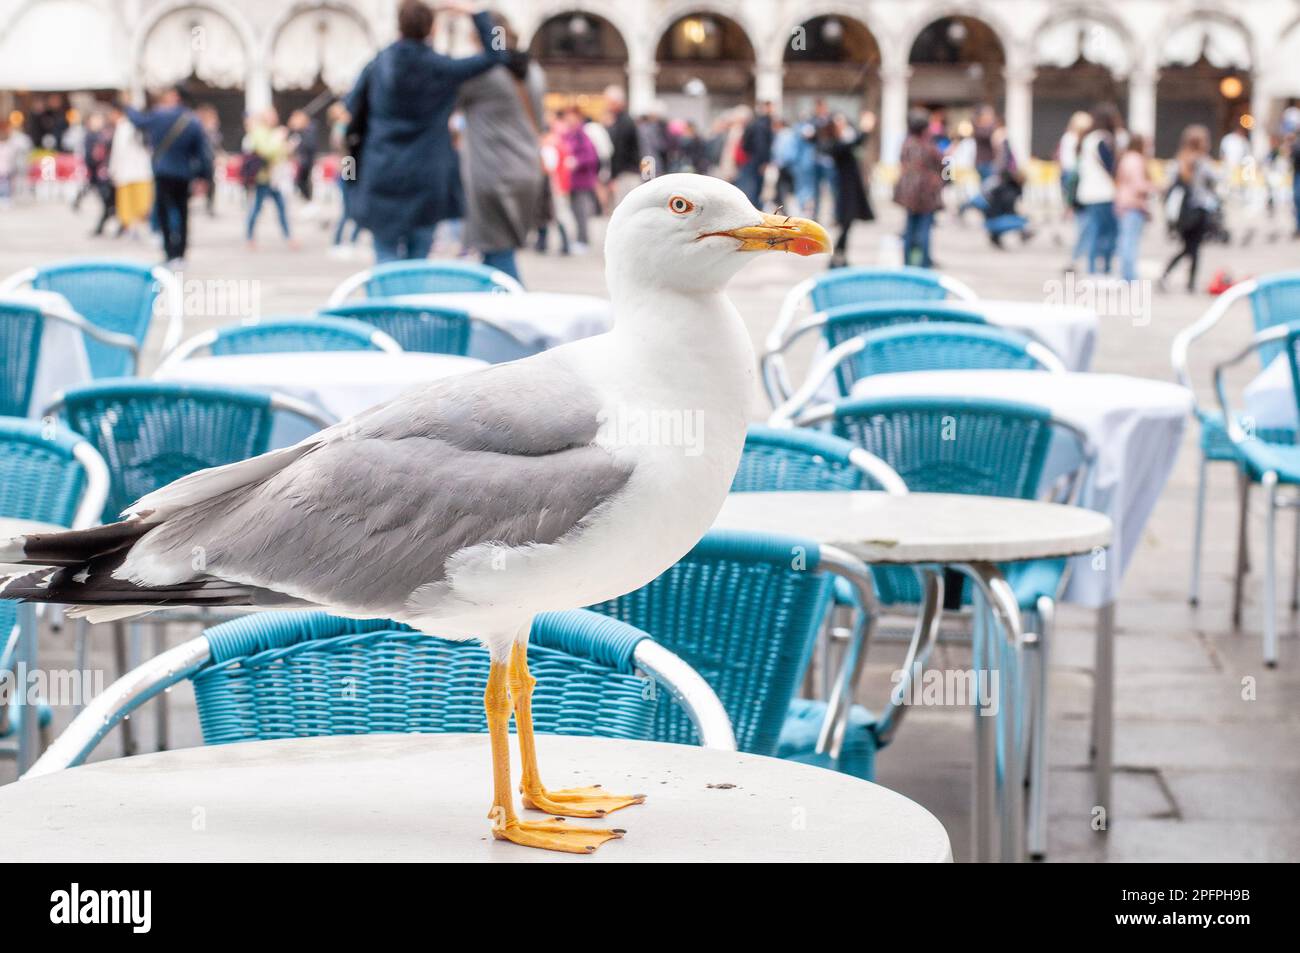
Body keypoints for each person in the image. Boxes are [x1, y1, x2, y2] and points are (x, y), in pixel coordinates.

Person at [345, 1, 507, 263]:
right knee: (419, 258)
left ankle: (385, 304)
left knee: (384, 255)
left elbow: (352, 107)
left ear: (399, 25)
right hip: (428, 174)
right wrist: (478, 13)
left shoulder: (378, 64)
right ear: (431, 28)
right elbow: (498, 53)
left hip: (381, 170)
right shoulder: (443, 67)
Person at [457, 17, 545, 284]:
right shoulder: (533, 71)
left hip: (493, 173)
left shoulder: (483, 75)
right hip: (528, 169)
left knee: (497, 254)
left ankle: (514, 314)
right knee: (497, 252)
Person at [123, 85, 212, 267]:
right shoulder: (193, 121)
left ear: (175, 96)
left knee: (163, 212)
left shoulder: (160, 115)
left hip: (163, 172)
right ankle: (180, 253)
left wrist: (127, 106)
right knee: (183, 212)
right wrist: (204, 177)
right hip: (184, 174)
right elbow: (203, 153)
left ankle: (169, 252)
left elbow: (138, 121)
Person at [1160, 125, 1219, 293]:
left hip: (1183, 212)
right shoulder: (1203, 161)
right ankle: (1185, 280)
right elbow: (1215, 179)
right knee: (1193, 248)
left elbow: (1168, 182)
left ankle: (1181, 279)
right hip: (1199, 210)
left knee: (1189, 247)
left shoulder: (1179, 160)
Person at [894, 107, 945, 269]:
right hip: (926, 192)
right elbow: (946, 163)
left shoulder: (906, 144)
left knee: (910, 227)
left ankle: (908, 262)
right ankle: (923, 263)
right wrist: (945, 181)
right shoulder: (928, 145)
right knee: (924, 228)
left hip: (909, 192)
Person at [823, 111, 875, 267]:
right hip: (844, 190)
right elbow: (854, 142)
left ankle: (840, 255)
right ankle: (837, 254)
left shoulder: (840, 140)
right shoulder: (834, 144)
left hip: (850, 188)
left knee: (848, 224)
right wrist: (865, 129)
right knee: (845, 223)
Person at [1074, 102, 1121, 275]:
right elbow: (1111, 167)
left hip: (1088, 193)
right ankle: (1105, 269)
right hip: (1104, 193)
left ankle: (1092, 269)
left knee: (1094, 232)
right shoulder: (1103, 139)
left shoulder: (1087, 139)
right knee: (1108, 233)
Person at [244, 108, 296, 249]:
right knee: (257, 208)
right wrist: (278, 139)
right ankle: (249, 237)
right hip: (263, 177)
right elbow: (266, 152)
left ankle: (288, 237)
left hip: (275, 178)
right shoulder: (259, 132)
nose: (275, 118)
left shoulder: (273, 132)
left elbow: (281, 155)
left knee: (281, 207)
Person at [107, 104, 153, 239]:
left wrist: (113, 169)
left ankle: (132, 229)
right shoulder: (142, 127)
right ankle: (140, 228)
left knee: (128, 204)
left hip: (126, 172)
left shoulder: (123, 127)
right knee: (142, 203)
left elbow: (118, 151)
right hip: (142, 172)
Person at [1114, 133, 1154, 282]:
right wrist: (1155, 187)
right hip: (1133, 204)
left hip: (1123, 202)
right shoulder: (1136, 160)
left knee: (1125, 240)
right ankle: (1129, 275)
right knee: (1130, 242)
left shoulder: (1126, 158)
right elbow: (1138, 185)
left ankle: (1126, 274)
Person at [561, 107, 601, 254]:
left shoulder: (582, 135)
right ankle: (578, 240)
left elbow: (591, 157)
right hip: (570, 182)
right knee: (574, 213)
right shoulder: (567, 135)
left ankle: (583, 240)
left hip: (582, 181)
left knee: (581, 213)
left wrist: (576, 161)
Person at [1058, 110, 1092, 269]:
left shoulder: (1079, 140)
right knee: (1083, 222)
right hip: (1077, 183)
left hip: (1079, 183)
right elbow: (1069, 166)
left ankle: (1079, 255)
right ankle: (1077, 256)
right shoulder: (1071, 139)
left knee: (1084, 222)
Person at [604, 84, 642, 207]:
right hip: (627, 171)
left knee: (625, 208)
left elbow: (620, 150)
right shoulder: (621, 121)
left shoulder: (624, 122)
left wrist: (614, 176)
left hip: (626, 173)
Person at [83, 112, 117, 237]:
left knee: (109, 203)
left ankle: (101, 228)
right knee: (108, 203)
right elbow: (90, 158)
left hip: (106, 175)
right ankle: (102, 227)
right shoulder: (92, 137)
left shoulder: (106, 135)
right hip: (99, 176)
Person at [737, 100, 774, 207]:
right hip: (756, 161)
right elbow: (760, 144)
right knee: (754, 189)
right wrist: (763, 162)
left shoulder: (756, 123)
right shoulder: (761, 124)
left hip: (751, 160)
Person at [287, 109, 317, 206]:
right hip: (347, 161)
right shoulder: (301, 133)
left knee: (349, 182)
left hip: (350, 160)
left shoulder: (309, 132)